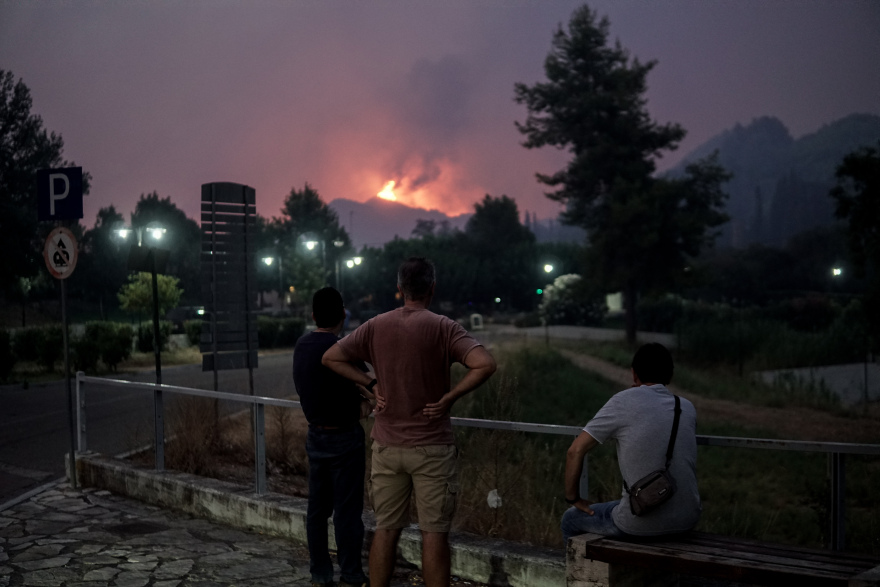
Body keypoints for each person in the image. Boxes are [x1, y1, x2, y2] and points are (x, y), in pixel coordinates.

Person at [322, 257, 497, 587]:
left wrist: (371, 384)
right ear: (432, 288)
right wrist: (449, 398)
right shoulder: (444, 327)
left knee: (385, 530)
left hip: (387, 446)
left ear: (399, 290)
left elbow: (331, 357)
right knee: (434, 535)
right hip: (432, 447)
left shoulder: (376, 325)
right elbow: (485, 364)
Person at [561, 342, 701, 543]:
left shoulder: (623, 401)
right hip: (688, 519)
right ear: (670, 375)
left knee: (570, 519)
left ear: (634, 374)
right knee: (622, 505)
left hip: (639, 524)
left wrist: (573, 498)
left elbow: (575, 451)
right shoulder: (687, 407)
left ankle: (581, 575)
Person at [293, 287, 373, 587]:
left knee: (317, 511)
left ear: (313, 315)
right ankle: (351, 573)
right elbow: (370, 392)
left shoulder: (302, 346)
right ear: (343, 315)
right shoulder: (344, 349)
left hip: (315, 436)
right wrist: (364, 407)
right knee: (347, 512)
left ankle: (320, 573)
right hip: (345, 438)